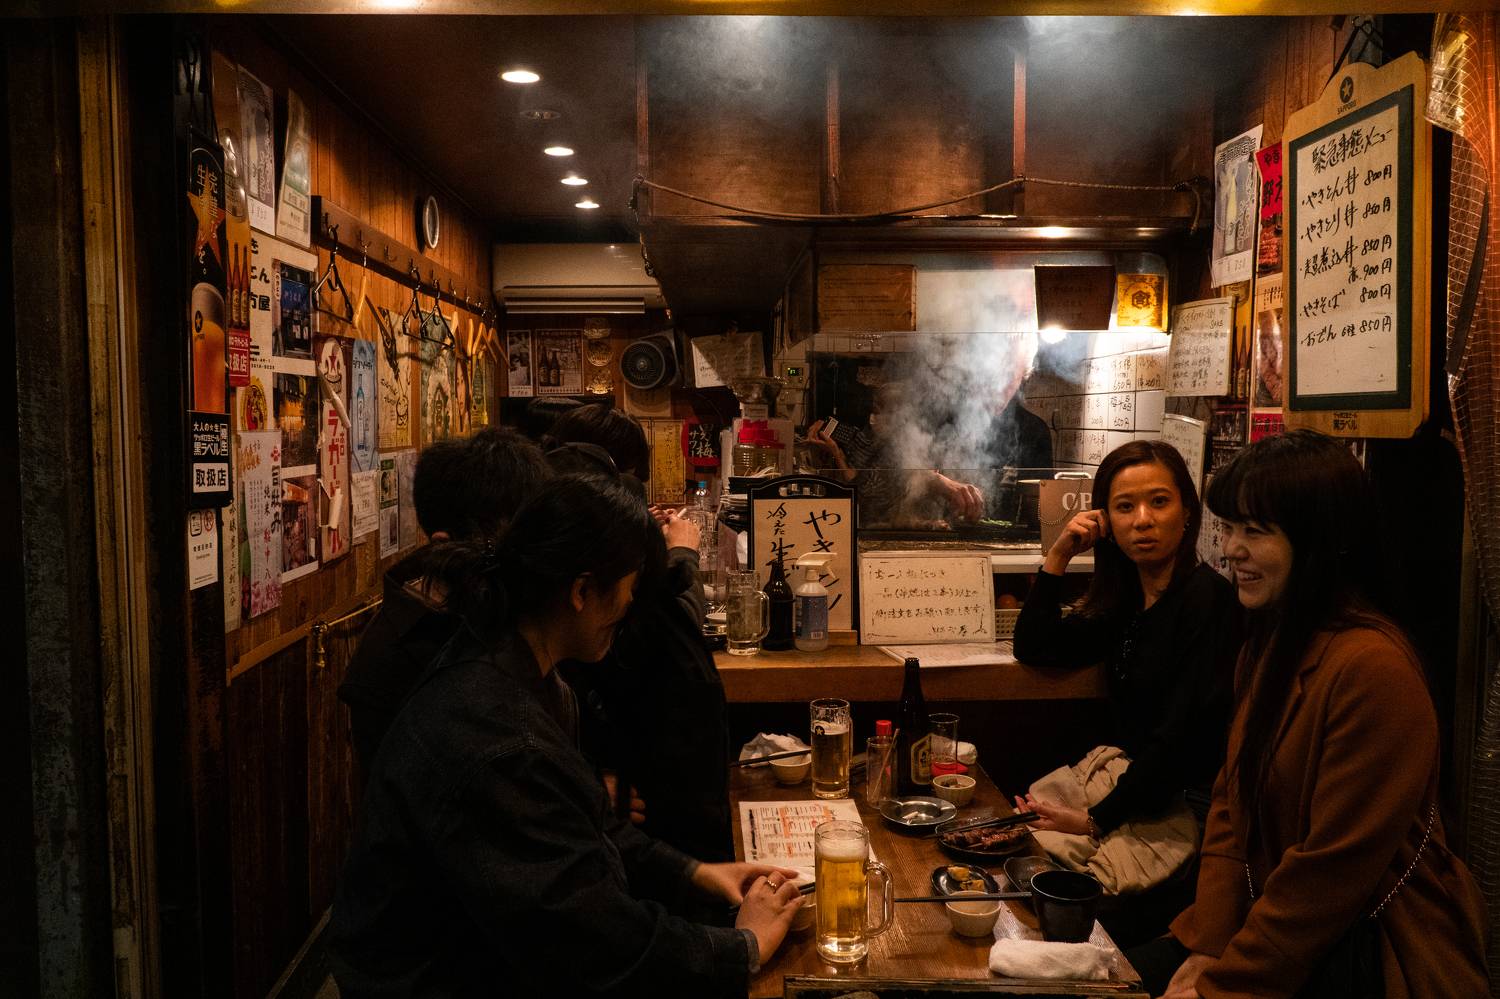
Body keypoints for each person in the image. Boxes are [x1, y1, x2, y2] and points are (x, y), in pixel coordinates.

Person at [329, 476, 801, 998]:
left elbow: (580, 824)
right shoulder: (501, 737)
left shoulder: (512, 661)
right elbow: (589, 940)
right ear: (581, 592)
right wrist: (743, 946)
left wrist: (696, 872)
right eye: (629, 587)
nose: (630, 606)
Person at [1142, 430, 1487, 999]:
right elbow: (1231, 799)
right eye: (1230, 527)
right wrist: (1210, 941)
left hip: (1367, 950)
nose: (1231, 550)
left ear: (1321, 540)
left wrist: (1223, 983)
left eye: (1256, 531)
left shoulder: (1373, 670)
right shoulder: (1269, 643)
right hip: (1274, 930)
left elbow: (1331, 872)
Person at [1011, 440, 1242, 943]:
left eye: (1159, 502)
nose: (1142, 520)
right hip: (1134, 796)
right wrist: (1059, 554)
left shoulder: (1209, 602)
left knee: (1058, 914)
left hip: (1188, 813)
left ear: (1187, 511)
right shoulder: (1126, 601)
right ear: (1106, 522)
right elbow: (1035, 646)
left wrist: (1093, 820)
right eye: (1124, 507)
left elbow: (1178, 742)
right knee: (1015, 862)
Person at [546, 405, 735, 863]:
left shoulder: (567, 539)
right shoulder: (580, 581)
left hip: (649, 829)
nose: (628, 601)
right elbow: (668, 619)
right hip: (644, 825)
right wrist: (681, 554)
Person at [337, 428, 551, 773]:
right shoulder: (404, 652)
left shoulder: (493, 613)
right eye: (510, 537)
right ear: (444, 543)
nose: (527, 553)